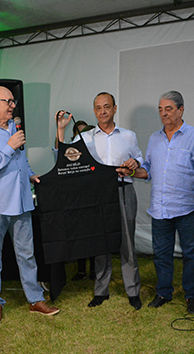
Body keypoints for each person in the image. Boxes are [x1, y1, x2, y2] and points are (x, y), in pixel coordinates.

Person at [0, 85, 60, 323]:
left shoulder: (15, 128)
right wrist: (9, 147)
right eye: (8, 101)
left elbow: (22, 161)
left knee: (27, 255)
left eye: (13, 101)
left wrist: (30, 174)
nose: (13, 106)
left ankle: (35, 299)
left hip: (21, 203)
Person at [56, 92, 144, 310]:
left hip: (123, 191)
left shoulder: (129, 136)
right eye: (98, 107)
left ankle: (133, 291)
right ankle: (101, 291)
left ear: (114, 108)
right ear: (94, 111)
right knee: (100, 243)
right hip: (97, 197)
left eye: (107, 106)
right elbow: (63, 156)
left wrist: (134, 163)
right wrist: (60, 130)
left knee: (127, 244)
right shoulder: (85, 138)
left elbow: (140, 160)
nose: (103, 111)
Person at [119, 91, 194, 314]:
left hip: (187, 207)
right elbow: (148, 169)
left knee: (191, 254)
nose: (163, 113)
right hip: (160, 208)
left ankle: (191, 295)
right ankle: (164, 292)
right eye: (160, 109)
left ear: (181, 110)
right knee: (161, 254)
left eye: (168, 109)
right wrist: (131, 171)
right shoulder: (155, 139)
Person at [70, 120, 96, 282]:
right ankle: (81, 270)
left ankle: (93, 269)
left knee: (94, 235)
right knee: (80, 235)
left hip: (94, 198)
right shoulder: (72, 156)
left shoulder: (97, 154)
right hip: (78, 199)